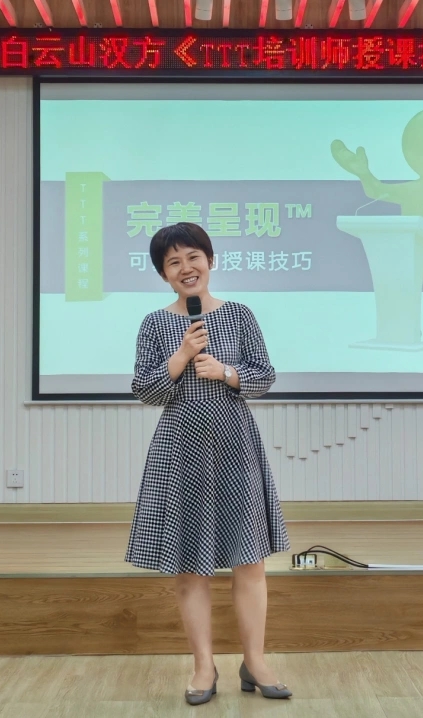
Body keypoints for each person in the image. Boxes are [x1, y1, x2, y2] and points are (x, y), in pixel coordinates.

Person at [125, 222, 293, 705]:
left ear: (211, 260)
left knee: (250, 561)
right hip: (180, 449)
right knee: (189, 567)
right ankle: (203, 666)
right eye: (173, 262)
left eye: (193, 257)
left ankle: (255, 660)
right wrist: (182, 355)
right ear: (163, 274)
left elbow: (264, 376)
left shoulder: (239, 315)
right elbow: (145, 390)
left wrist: (226, 372)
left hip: (234, 444)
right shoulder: (155, 324)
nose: (186, 268)